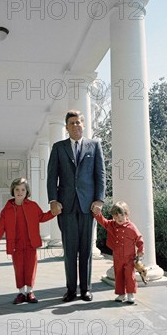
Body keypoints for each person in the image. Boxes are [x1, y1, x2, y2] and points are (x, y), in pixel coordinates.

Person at [47, 109, 106, 302]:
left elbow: (101, 175)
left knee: (86, 250)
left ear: (83, 124)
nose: (75, 125)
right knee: (70, 250)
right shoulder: (58, 148)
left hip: (88, 207)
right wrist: (53, 201)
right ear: (66, 127)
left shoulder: (94, 146)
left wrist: (99, 200)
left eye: (78, 122)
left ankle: (86, 289)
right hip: (66, 207)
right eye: (71, 123)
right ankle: (71, 290)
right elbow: (51, 177)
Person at [0, 177, 55, 304]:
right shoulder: (7, 209)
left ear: (27, 192)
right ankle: (21, 293)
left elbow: (42, 217)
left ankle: (30, 292)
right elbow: (0, 226)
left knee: (31, 267)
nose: (20, 192)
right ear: (13, 191)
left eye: (23, 190)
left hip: (31, 243)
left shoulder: (33, 206)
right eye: (17, 189)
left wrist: (53, 213)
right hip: (16, 245)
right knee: (19, 268)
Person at [92, 201, 144, 304]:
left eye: (122, 216)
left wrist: (140, 250)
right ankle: (121, 294)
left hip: (130, 257)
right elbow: (103, 221)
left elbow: (139, 239)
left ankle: (130, 294)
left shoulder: (131, 227)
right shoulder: (111, 225)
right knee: (119, 275)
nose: (119, 219)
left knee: (130, 276)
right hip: (117, 257)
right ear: (113, 216)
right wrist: (97, 213)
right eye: (116, 216)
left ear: (126, 214)